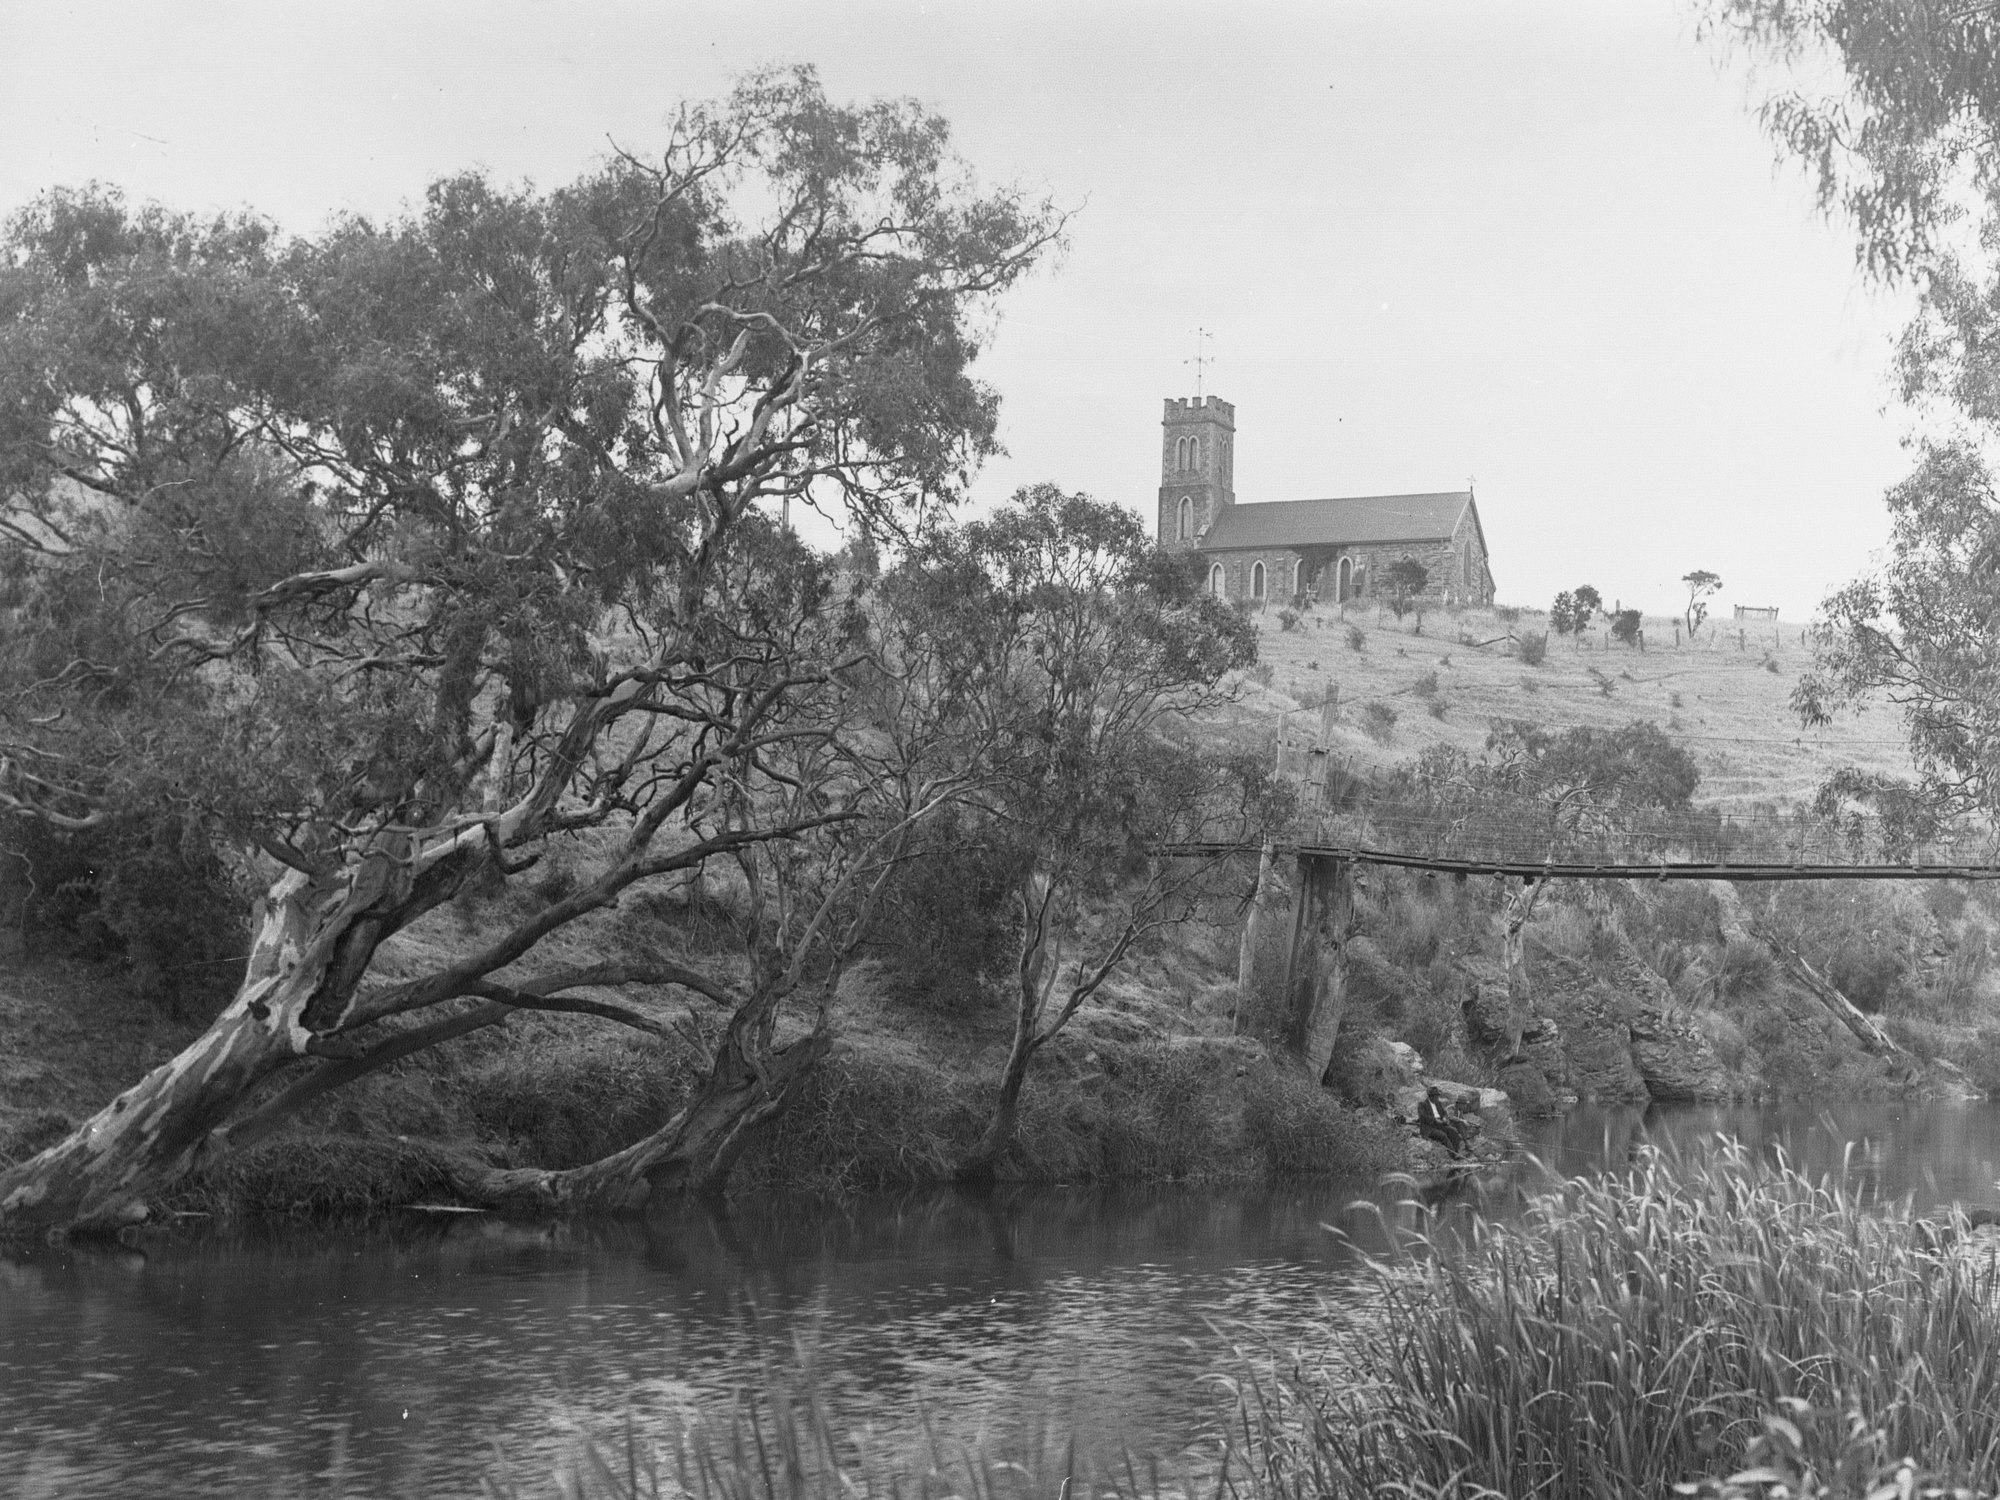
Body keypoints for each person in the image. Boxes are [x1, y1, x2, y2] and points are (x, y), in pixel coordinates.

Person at [1415, 1084, 1469, 1155]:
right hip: (1429, 1127)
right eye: (1436, 1096)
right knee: (1442, 1135)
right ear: (1431, 1096)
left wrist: (1444, 1118)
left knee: (1453, 1132)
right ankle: (1453, 1155)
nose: (1437, 1097)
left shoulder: (1438, 1103)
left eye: (1438, 1096)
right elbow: (1422, 1117)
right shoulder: (1422, 1104)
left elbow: (1444, 1113)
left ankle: (1456, 1151)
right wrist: (1434, 1120)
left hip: (1440, 1125)